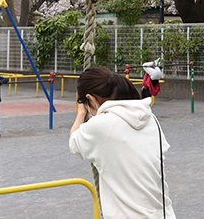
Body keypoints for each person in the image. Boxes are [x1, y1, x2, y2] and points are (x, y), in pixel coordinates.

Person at [70, 66, 175, 218]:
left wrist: (81, 114)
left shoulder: (102, 125)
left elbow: (74, 142)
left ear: (90, 99)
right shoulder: (151, 119)